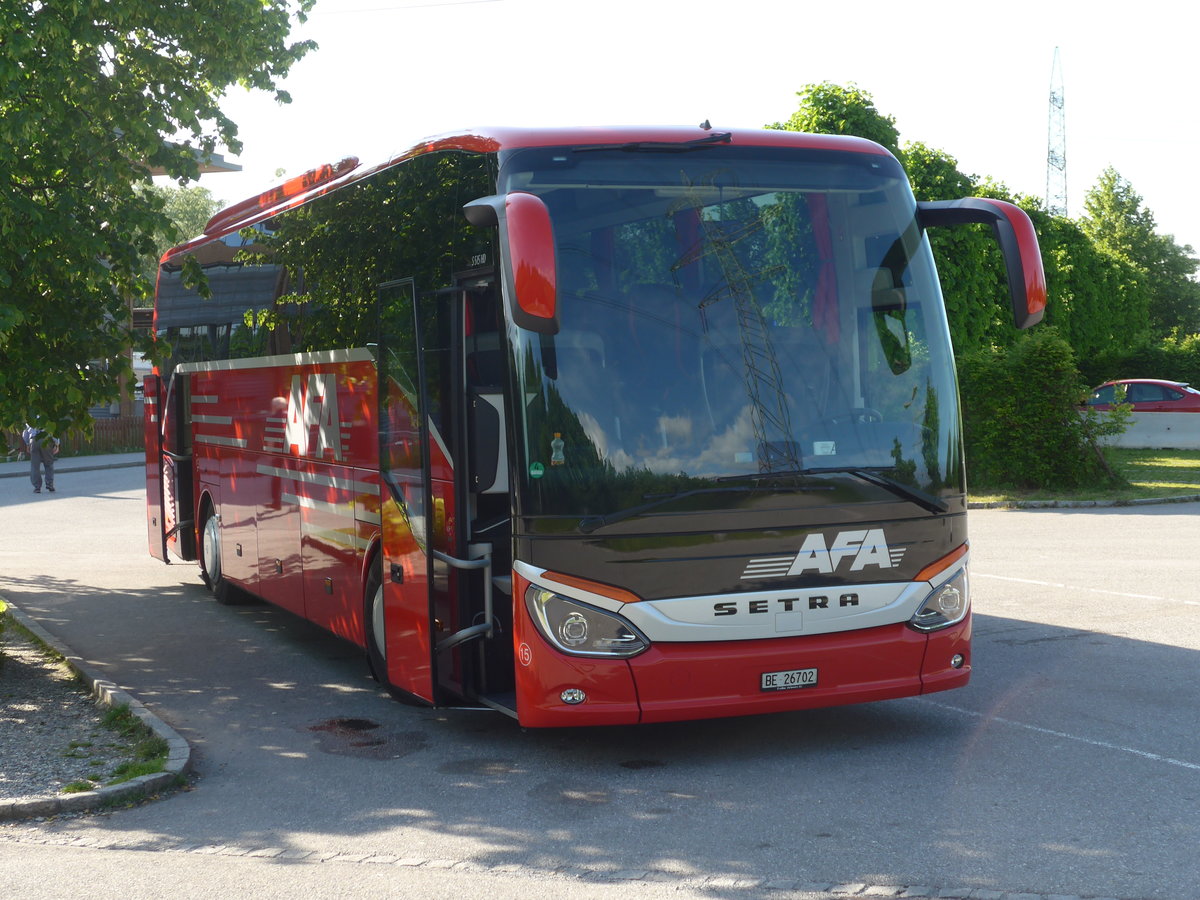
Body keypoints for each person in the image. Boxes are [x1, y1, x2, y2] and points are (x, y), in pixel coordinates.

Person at [21, 421, 60, 494]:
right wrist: (57, 444)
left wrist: (27, 444)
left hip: (34, 440)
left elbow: (25, 433)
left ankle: (37, 487)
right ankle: (49, 484)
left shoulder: (30, 418)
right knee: (49, 463)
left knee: (35, 466)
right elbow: (54, 431)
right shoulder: (47, 416)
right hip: (46, 439)